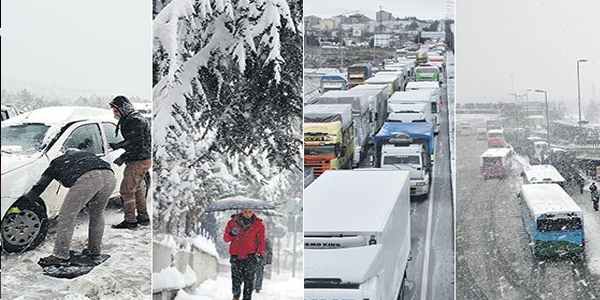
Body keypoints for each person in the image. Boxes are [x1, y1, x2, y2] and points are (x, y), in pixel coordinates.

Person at [24, 149, 116, 266]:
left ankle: (60, 256)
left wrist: (27, 201)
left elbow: (40, 186)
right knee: (97, 214)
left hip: (89, 178)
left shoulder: (55, 164)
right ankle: (94, 252)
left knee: (66, 216)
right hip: (110, 177)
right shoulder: (87, 156)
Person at [108, 95, 152, 229]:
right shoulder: (134, 118)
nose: (114, 114)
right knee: (136, 190)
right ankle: (143, 217)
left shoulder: (134, 121)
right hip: (141, 159)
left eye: (116, 111)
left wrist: (122, 150)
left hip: (137, 161)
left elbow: (136, 142)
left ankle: (130, 221)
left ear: (123, 108)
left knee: (126, 191)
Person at [223, 208, 266, 300]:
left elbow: (261, 241)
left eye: (250, 212)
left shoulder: (258, 224)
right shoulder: (232, 222)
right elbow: (226, 239)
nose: (247, 214)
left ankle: (247, 298)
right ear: (242, 211)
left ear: (253, 211)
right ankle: (236, 296)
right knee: (236, 279)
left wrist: (260, 253)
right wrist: (232, 233)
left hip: (250, 255)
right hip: (236, 255)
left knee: (249, 280)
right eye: (245, 211)